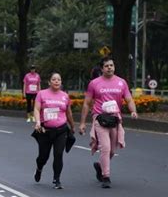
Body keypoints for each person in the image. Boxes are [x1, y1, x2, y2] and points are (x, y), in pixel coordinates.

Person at [79, 57, 138, 188]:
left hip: (115, 119)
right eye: (107, 66)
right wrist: (83, 123)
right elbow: (87, 103)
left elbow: (129, 99)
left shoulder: (121, 82)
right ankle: (106, 177)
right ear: (102, 69)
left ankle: (100, 166)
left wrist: (133, 111)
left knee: (111, 151)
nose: (110, 68)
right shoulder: (94, 83)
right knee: (105, 148)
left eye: (111, 65)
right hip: (100, 118)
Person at [32, 73, 75, 189]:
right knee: (43, 156)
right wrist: (37, 122)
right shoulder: (42, 94)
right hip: (45, 131)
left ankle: (57, 179)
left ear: (61, 82)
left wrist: (72, 126)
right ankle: (39, 168)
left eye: (59, 80)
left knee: (58, 154)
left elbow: (68, 113)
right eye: (54, 79)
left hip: (61, 130)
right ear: (49, 82)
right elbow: (36, 109)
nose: (56, 81)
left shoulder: (65, 96)